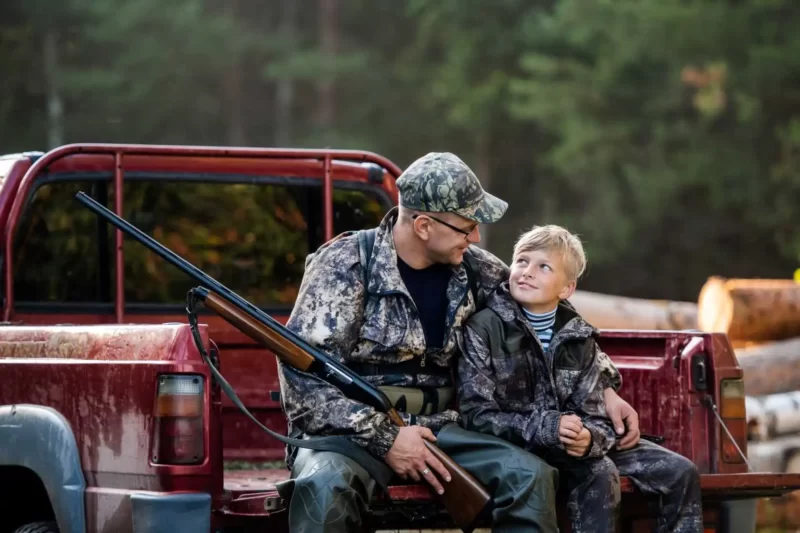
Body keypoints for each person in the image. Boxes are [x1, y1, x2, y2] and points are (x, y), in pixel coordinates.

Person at [278, 152, 639, 532]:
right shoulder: (345, 264)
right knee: (322, 488)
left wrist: (605, 385)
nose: (476, 237)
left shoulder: (475, 268)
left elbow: (551, 313)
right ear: (422, 226)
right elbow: (304, 380)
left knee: (529, 476)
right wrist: (387, 438)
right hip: (349, 432)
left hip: (443, 426)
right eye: (467, 226)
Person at [458, 224, 702, 532]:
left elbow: (596, 414)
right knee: (599, 472)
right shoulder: (484, 328)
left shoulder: (578, 337)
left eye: (543, 266)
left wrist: (589, 439)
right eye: (521, 261)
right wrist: (548, 428)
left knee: (680, 471)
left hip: (572, 448)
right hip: (517, 448)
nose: (527, 272)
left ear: (566, 289)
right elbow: (475, 415)